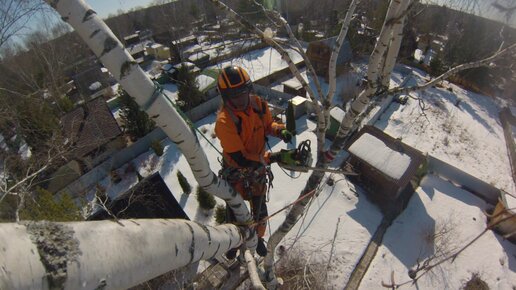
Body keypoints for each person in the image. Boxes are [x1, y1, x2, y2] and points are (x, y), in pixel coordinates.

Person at [215, 65, 299, 258]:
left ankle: (258, 238)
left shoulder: (259, 105)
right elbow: (241, 159)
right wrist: (274, 157)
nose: (240, 100)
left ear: (248, 90)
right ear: (225, 98)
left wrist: (279, 130)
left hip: (258, 170)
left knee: (260, 212)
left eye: (243, 93)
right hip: (237, 172)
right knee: (235, 214)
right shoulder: (225, 122)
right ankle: (233, 244)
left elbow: (268, 124)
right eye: (234, 96)